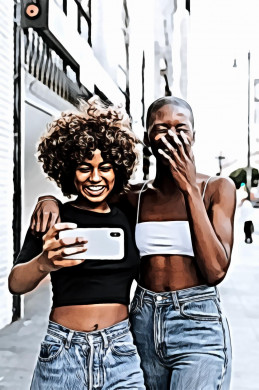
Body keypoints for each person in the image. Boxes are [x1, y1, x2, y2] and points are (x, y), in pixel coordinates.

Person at [29, 96, 236, 390]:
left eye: (181, 128)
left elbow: (215, 270)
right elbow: (87, 195)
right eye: (161, 128)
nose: (172, 136)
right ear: (147, 138)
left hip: (197, 323)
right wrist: (47, 199)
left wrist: (188, 187)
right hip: (142, 320)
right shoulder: (133, 197)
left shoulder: (216, 188)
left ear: (194, 135)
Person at [8, 97, 145, 390]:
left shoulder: (129, 217)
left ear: (117, 169)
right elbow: (15, 284)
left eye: (105, 167)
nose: (95, 177)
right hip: (62, 353)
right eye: (85, 168)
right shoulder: (53, 218)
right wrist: (44, 262)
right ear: (69, 169)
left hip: (119, 352)